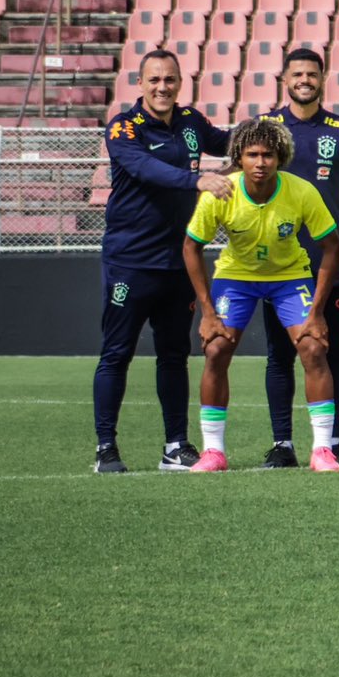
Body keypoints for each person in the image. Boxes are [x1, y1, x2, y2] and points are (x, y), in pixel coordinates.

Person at [92, 48, 231, 473]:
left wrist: (270, 127)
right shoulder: (123, 128)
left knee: (174, 355)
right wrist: (198, 179)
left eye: (170, 79)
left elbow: (229, 141)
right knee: (117, 354)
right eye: (154, 80)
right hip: (130, 262)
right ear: (140, 84)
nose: (162, 87)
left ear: (180, 82)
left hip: (178, 263)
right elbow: (147, 169)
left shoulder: (191, 122)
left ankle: (175, 446)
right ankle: (106, 449)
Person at [179, 117, 339, 472]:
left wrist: (317, 311)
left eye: (268, 155)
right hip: (236, 277)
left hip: (289, 276)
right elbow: (191, 247)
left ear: (280, 156)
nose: (260, 162)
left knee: (312, 347)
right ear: (239, 156)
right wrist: (207, 312)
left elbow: (332, 246)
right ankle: (214, 452)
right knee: (217, 348)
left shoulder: (301, 191)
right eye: (252, 154)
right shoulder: (222, 192)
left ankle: (322, 450)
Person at [258, 48, 339, 468]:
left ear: (324, 77)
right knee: (279, 354)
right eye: (297, 73)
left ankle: (333, 441)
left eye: (312, 73)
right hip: (277, 264)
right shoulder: (265, 128)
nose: (304, 79)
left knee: (334, 352)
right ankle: (282, 443)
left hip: (330, 261)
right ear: (284, 77)